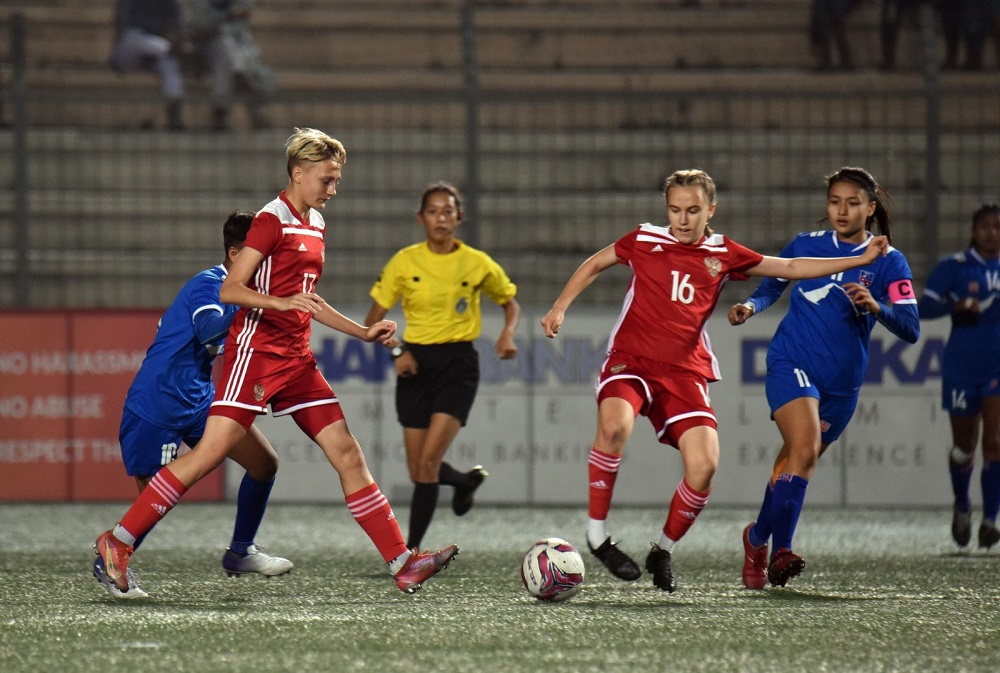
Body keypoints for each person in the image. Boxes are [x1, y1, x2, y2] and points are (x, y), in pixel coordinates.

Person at [92, 128, 459, 598]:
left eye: (337, 180)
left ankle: (403, 562)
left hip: (296, 360)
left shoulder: (316, 224)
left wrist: (362, 332)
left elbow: (310, 301)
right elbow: (232, 290)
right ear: (298, 173)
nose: (333, 189)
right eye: (327, 179)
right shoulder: (271, 220)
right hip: (255, 356)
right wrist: (281, 304)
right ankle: (118, 543)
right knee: (206, 456)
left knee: (346, 451)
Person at [539, 168, 890, 593]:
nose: (682, 220)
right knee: (613, 427)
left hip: (685, 371)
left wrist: (860, 258)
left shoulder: (724, 252)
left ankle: (662, 550)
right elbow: (597, 262)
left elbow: (791, 266)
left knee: (704, 468)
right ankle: (597, 537)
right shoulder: (645, 239)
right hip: (631, 360)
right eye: (674, 210)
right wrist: (560, 307)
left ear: (711, 210)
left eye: (692, 211)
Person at [729, 167, 919, 590]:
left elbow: (911, 327)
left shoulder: (889, 260)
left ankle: (756, 536)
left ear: (870, 208)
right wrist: (751, 307)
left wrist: (876, 307)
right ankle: (782, 551)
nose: (842, 210)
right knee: (805, 448)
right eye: (835, 201)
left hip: (841, 383)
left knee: (794, 461)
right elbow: (772, 284)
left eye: (853, 203)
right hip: (791, 361)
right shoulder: (806, 245)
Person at [91, 211, 291, 599]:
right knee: (155, 500)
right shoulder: (210, 284)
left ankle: (240, 551)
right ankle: (111, 557)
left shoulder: (248, 292)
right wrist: (253, 304)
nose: (270, 261)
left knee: (265, 463)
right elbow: (207, 328)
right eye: (263, 253)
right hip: (157, 405)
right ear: (237, 254)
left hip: (201, 401)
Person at [363, 182, 520, 551]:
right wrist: (397, 351)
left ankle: (410, 552)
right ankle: (464, 482)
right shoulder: (405, 261)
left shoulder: (477, 262)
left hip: (457, 365)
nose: (441, 218)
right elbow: (374, 319)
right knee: (418, 469)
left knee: (429, 462)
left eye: (448, 211)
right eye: (433, 211)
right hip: (415, 363)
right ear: (421, 218)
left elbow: (509, 302)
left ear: (459, 217)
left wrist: (506, 335)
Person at [918, 203, 1000, 550]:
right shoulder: (954, 267)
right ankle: (962, 505)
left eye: (997, 227)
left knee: (995, 443)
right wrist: (955, 307)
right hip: (962, 366)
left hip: (997, 368)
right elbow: (922, 307)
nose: (992, 233)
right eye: (985, 226)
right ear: (973, 230)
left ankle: (990, 520)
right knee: (964, 448)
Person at [187, 0, 276, 131]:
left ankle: (255, 110)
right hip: (208, 42)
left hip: (238, 40)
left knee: (257, 71)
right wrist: (227, 15)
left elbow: (244, 8)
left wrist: (238, 11)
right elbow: (202, 22)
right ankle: (220, 110)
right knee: (227, 58)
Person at [109, 0, 186, 130]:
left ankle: (174, 116)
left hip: (155, 55)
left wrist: (176, 36)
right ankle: (165, 48)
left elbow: (179, 21)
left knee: (170, 65)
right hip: (129, 51)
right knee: (135, 38)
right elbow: (121, 25)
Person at [809, 0, 858, 70]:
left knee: (837, 31)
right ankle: (828, 60)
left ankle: (844, 60)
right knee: (827, 32)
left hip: (835, 8)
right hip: (829, 8)